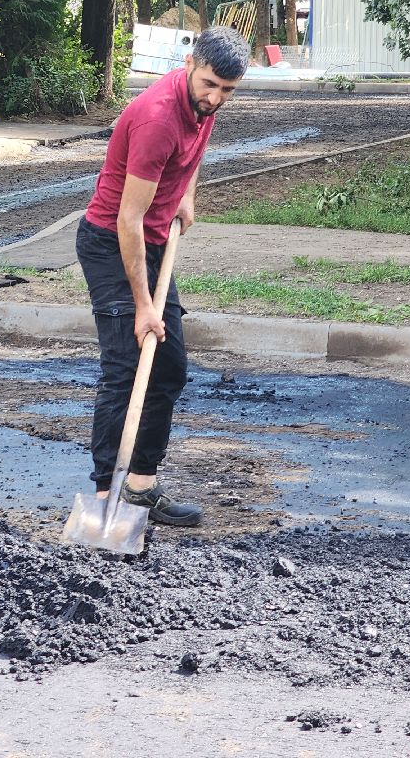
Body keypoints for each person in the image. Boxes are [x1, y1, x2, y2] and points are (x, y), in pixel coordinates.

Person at [75, 26, 250, 526]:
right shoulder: (157, 117)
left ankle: (140, 488)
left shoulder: (203, 106)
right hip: (112, 243)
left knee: (169, 367)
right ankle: (106, 494)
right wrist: (144, 306)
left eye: (228, 90)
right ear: (191, 63)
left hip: (153, 242)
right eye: (210, 84)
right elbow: (127, 219)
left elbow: (192, 153)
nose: (216, 98)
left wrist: (186, 195)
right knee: (126, 368)